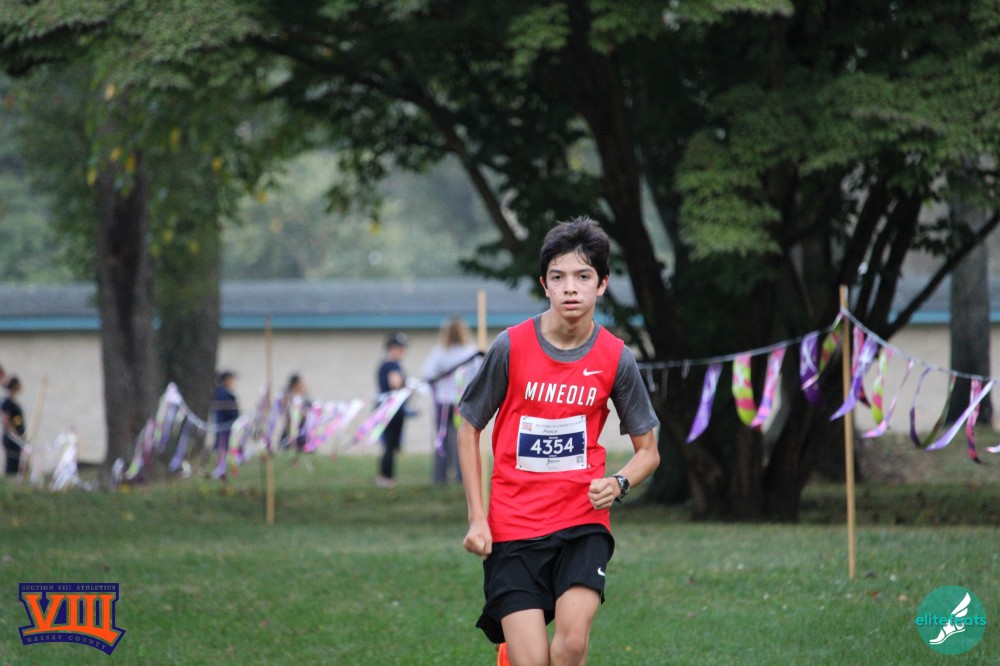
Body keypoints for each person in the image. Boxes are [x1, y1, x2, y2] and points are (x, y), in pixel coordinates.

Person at [457, 217, 660, 666]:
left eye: (583, 276)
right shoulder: (510, 347)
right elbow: (468, 427)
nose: (570, 288)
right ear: (544, 285)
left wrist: (619, 483)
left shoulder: (616, 357)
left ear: (602, 284)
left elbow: (648, 452)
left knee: (570, 645)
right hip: (513, 526)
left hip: (582, 521)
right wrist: (477, 518)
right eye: (558, 277)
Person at [421, 317, 482, 484]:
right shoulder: (472, 352)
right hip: (462, 402)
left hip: (443, 402)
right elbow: (478, 376)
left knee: (442, 438)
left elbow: (427, 374)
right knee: (463, 439)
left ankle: (440, 477)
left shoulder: (440, 352)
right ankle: (462, 477)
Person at [375, 332, 409, 488]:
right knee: (390, 445)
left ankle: (386, 476)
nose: (403, 352)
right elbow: (395, 384)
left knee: (390, 445)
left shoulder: (385, 364)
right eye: (400, 348)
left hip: (389, 410)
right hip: (391, 411)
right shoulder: (391, 365)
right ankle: (386, 477)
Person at [210, 370, 240, 479]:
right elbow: (230, 412)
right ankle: (222, 471)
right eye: (232, 379)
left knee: (226, 449)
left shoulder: (221, 393)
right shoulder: (223, 394)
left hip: (226, 427)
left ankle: (225, 471)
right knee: (224, 449)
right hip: (225, 427)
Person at [2, 376, 27, 476]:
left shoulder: (14, 403)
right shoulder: (7, 403)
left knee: (19, 464)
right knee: (12, 463)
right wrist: (14, 434)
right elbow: (5, 421)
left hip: (18, 438)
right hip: (12, 438)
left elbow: (17, 420)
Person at [281, 373, 311, 451]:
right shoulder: (287, 398)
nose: (304, 386)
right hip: (289, 433)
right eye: (301, 383)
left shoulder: (306, 399)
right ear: (296, 385)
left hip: (303, 435)